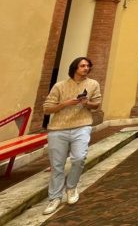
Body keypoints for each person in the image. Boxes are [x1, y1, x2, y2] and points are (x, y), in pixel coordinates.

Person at [41, 57, 102, 215]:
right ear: (75, 67)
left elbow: (97, 105)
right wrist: (67, 103)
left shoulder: (93, 84)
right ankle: (54, 197)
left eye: (88, 66)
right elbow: (47, 108)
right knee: (57, 165)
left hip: (82, 125)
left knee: (79, 158)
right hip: (58, 128)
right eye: (82, 66)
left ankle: (71, 187)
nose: (86, 68)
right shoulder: (60, 86)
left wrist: (86, 103)